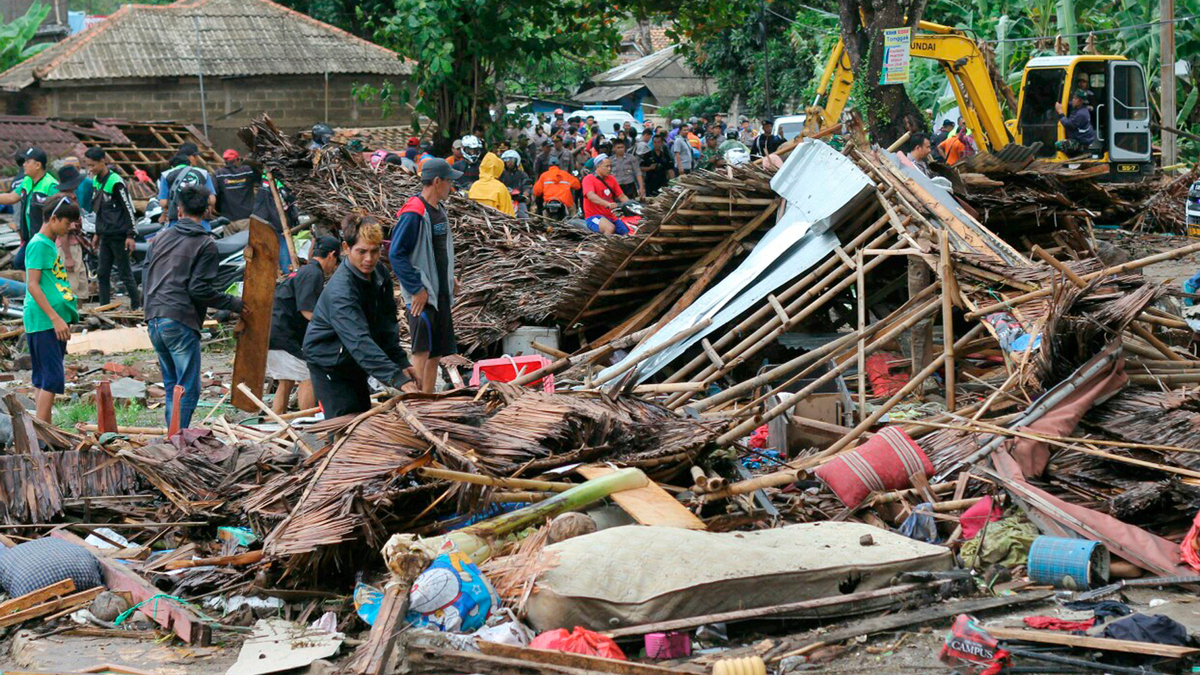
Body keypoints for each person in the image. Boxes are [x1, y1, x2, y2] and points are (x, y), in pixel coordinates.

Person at [143, 185, 242, 430]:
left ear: (179, 210)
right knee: (187, 387)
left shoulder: (160, 237)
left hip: (154, 317)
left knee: (171, 385)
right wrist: (234, 303)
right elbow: (199, 290)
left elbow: (146, 276)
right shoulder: (205, 243)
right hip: (178, 319)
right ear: (207, 211)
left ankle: (172, 438)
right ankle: (177, 440)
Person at [304, 216, 415, 417]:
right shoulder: (342, 291)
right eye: (361, 252)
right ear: (346, 248)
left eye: (374, 251)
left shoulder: (379, 273)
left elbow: (386, 324)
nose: (368, 259)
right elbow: (359, 341)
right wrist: (398, 379)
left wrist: (401, 362)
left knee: (362, 417)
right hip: (330, 361)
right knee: (344, 422)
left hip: (354, 360)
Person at [389, 158, 461, 394]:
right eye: (449, 181)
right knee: (421, 351)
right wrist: (416, 288)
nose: (451, 186)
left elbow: (440, 251)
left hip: (439, 292)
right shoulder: (414, 213)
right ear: (437, 181)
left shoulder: (439, 210)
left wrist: (450, 279)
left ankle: (427, 400)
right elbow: (396, 254)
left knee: (436, 351)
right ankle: (415, 402)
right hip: (423, 296)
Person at [267, 235, 340, 415]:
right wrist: (331, 328)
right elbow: (307, 310)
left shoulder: (304, 270)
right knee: (308, 375)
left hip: (272, 332)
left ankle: (279, 423)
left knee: (286, 381)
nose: (335, 267)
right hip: (282, 335)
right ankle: (306, 423)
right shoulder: (313, 273)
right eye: (336, 261)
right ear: (331, 255)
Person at [23, 195, 79, 423]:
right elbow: (33, 284)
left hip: (49, 319)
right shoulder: (38, 244)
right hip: (44, 320)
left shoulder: (48, 244)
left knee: (43, 378)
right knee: (53, 378)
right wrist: (55, 318)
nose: (71, 227)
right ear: (54, 218)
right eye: (68, 222)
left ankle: (40, 432)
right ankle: (43, 434)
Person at [83, 148, 140, 309]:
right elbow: (99, 209)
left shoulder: (116, 182)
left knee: (124, 273)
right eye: (88, 166)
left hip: (119, 235)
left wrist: (130, 235)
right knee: (102, 273)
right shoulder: (96, 181)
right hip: (105, 234)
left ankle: (137, 305)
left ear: (103, 161)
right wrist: (97, 233)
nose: (91, 169)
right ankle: (104, 307)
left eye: (93, 165)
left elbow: (128, 209)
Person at [0, 147, 59, 271]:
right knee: (20, 263)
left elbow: (58, 216)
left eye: (27, 162)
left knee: (35, 267)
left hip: (44, 239)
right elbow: (11, 197)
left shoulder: (50, 185)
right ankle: (31, 288)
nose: (24, 165)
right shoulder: (27, 181)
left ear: (37, 165)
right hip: (30, 237)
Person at [252, 177, 301, 274]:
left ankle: (286, 273)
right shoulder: (275, 183)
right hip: (273, 223)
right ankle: (288, 273)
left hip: (266, 221)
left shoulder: (266, 183)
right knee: (282, 248)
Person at [158, 150, 215, 225]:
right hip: (201, 222)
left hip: (177, 222)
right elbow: (212, 200)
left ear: (172, 166)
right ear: (190, 164)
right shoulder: (203, 173)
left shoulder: (166, 175)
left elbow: (163, 203)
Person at [582, 154, 632, 235]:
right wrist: (607, 204)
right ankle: (604, 247)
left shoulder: (612, 179)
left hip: (610, 215)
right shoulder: (588, 179)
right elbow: (591, 196)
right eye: (606, 166)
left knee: (627, 232)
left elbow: (622, 196)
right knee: (610, 228)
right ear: (598, 167)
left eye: (610, 166)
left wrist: (632, 205)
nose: (609, 169)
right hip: (593, 217)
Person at [212, 149, 257, 234]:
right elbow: (260, 174)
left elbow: (214, 194)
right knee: (247, 245)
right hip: (246, 218)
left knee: (230, 245)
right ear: (236, 160)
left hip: (227, 220)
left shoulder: (218, 174)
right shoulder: (247, 171)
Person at [1055, 89, 1098, 156]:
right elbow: (1069, 104)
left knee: (1059, 145)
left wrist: (1060, 112)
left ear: (1081, 101)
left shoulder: (1081, 114)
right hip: (1080, 138)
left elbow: (1069, 125)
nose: (1073, 100)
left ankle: (1080, 151)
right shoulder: (1079, 108)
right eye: (1073, 98)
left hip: (1081, 142)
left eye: (1075, 98)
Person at [500, 149, 531, 218]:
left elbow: (527, 185)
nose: (509, 163)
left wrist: (525, 194)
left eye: (512, 160)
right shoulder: (501, 174)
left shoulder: (522, 174)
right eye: (507, 161)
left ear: (517, 161)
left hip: (518, 200)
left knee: (525, 217)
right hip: (504, 200)